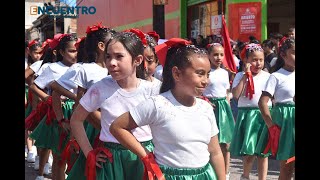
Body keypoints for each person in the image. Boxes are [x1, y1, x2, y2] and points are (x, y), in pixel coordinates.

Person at [110, 38, 226, 180]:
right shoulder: (158, 104)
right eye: (200, 73)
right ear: (177, 73)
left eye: (208, 74)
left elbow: (215, 152)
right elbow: (117, 127)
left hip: (205, 176)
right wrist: (146, 156)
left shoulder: (206, 108)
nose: (206, 80)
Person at [70, 31, 158, 180]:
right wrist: (89, 152)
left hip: (144, 154)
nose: (111, 62)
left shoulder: (153, 90)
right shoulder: (100, 88)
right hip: (111, 158)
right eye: (108, 56)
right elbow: (76, 120)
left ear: (137, 60)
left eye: (119, 57)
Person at [65, 24, 116, 180]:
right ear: (101, 46)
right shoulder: (86, 69)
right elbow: (79, 102)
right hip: (92, 124)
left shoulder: (117, 70)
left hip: (113, 122)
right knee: (89, 164)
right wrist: (74, 137)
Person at [29, 34, 78, 180]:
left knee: (75, 155)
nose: (75, 54)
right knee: (59, 156)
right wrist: (46, 98)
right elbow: (34, 85)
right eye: (71, 51)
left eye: (77, 50)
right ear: (61, 52)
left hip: (79, 112)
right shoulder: (53, 67)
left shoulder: (82, 67)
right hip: (60, 112)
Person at [229, 43, 271, 180]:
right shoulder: (240, 75)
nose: (258, 63)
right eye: (254, 59)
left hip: (263, 115)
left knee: (263, 153)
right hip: (247, 116)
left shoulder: (267, 76)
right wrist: (244, 77)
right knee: (249, 153)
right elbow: (235, 95)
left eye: (261, 59)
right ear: (246, 61)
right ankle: (245, 176)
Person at [256, 38, 295, 180]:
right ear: (283, 55)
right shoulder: (276, 76)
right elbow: (263, 102)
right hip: (285, 124)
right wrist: (271, 126)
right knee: (287, 166)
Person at [203, 42, 235, 180]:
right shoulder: (205, 72)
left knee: (226, 143)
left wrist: (228, 105)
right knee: (210, 142)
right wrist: (205, 101)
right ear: (209, 55)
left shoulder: (225, 72)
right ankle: (212, 172)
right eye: (215, 54)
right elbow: (200, 90)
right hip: (210, 107)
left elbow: (227, 92)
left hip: (224, 107)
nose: (219, 57)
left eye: (221, 54)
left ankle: (226, 172)